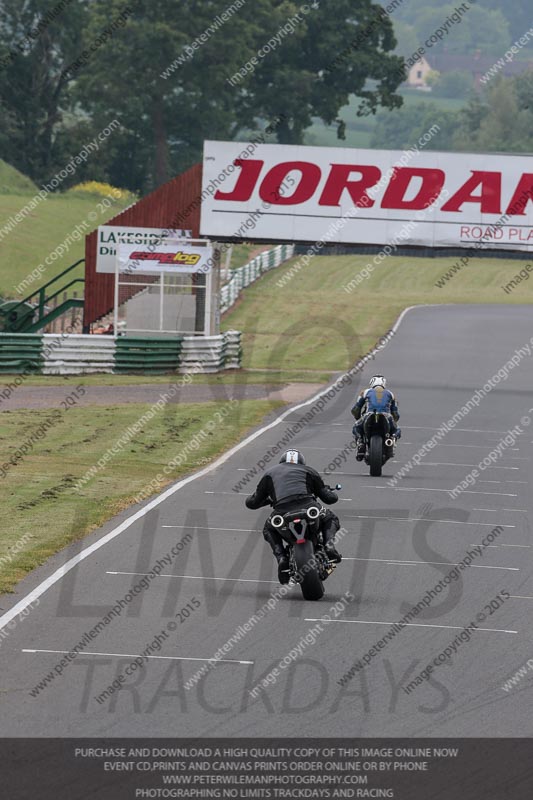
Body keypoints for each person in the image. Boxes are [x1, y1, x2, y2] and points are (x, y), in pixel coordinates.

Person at [245, 450, 342, 584]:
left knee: (269, 529)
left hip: (282, 512)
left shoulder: (269, 474)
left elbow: (253, 503)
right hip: (308, 506)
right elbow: (330, 498)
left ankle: (282, 558)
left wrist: (265, 499)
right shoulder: (309, 471)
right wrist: (328, 491)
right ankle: (329, 546)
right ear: (301, 462)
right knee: (330, 518)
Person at [351, 375, 400, 460]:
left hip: (369, 414)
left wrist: (358, 418)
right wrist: (394, 422)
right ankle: (391, 441)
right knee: (397, 430)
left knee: (355, 427)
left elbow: (355, 409)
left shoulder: (364, 392)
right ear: (384, 384)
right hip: (386, 416)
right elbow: (395, 414)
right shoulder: (391, 394)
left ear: (371, 383)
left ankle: (360, 443)